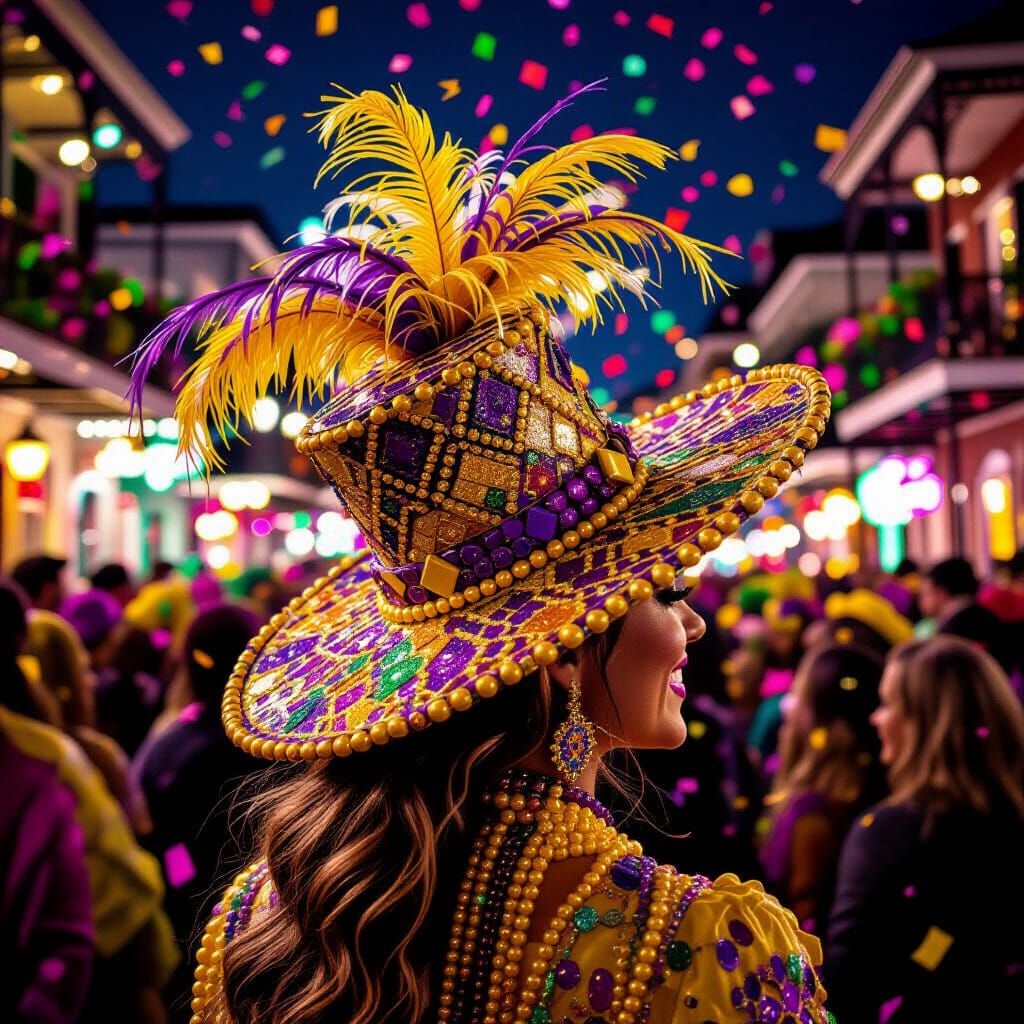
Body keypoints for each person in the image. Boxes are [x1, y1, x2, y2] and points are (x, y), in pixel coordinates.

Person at [129, 84, 833, 1023]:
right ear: (565, 644)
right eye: (666, 588)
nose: (695, 622)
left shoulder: (264, 916)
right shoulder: (697, 948)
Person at [827, 636, 1024, 1020]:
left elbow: (848, 982)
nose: (876, 718)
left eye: (887, 704)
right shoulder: (1011, 820)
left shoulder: (890, 832)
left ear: (925, 723)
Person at [135, 604, 263, 1020]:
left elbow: (158, 835)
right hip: (254, 927)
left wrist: (181, 883)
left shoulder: (169, 741)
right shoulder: (270, 748)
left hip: (185, 920)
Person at [759, 644, 885, 934]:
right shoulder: (858, 796)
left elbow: (802, 922)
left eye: (798, 694)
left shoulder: (812, 815)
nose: (787, 706)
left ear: (821, 718)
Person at [919, 557, 1012, 674]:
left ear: (941, 593)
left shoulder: (950, 634)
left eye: (925, 594)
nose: (921, 601)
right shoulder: (988, 617)